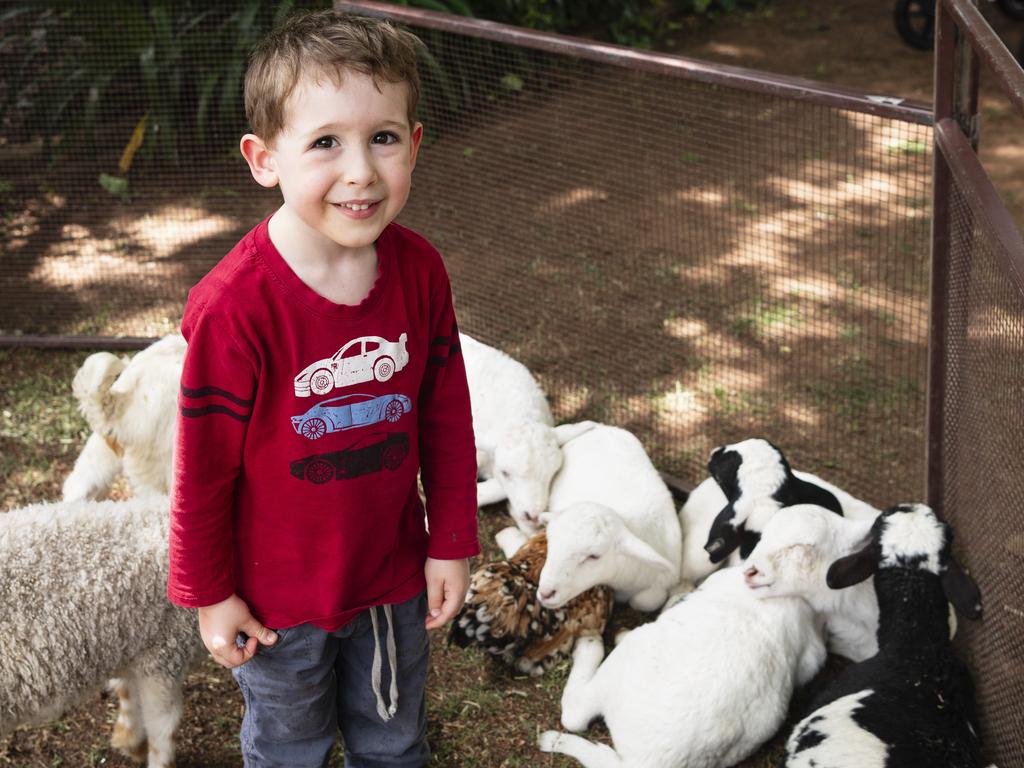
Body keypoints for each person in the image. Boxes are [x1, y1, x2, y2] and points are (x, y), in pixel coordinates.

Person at [166, 9, 479, 767]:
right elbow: (202, 472)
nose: (361, 171)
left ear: (414, 144)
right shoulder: (234, 306)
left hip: (390, 574)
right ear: (265, 158)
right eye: (325, 143)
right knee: (289, 747)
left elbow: (444, 416)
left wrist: (452, 543)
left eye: (383, 137)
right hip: (277, 600)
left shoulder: (419, 271)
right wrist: (212, 594)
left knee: (394, 740)